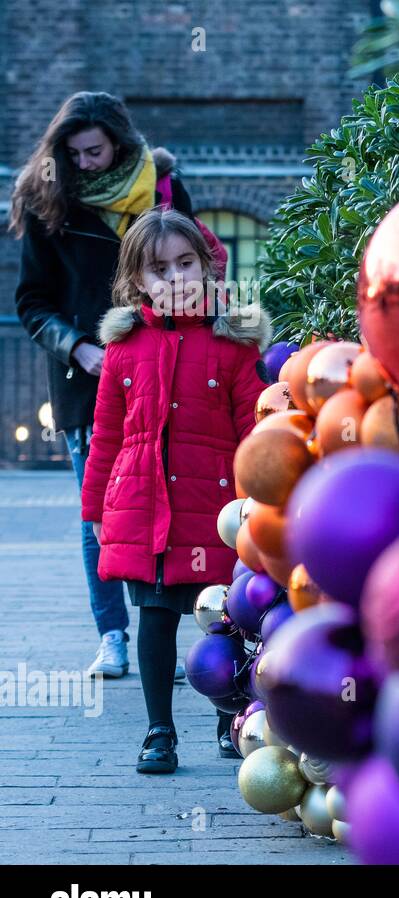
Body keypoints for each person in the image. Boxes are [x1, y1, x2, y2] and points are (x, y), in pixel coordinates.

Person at [11, 92, 203, 682]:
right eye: (73, 153)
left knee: (169, 502)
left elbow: (200, 262)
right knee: (99, 511)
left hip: (166, 369)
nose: (85, 162)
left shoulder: (164, 189)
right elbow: (31, 300)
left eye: (94, 150)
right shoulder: (49, 201)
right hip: (84, 378)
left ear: (118, 141)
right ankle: (113, 636)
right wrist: (80, 346)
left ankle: (162, 634)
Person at [80, 208, 269, 772]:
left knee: (225, 621)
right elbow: (106, 434)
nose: (175, 278)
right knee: (156, 620)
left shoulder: (233, 346)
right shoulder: (124, 349)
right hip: (147, 510)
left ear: (208, 267)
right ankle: (159, 730)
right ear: (138, 279)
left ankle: (226, 716)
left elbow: (254, 435)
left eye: (186, 263)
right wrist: (95, 508)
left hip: (217, 513)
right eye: (159, 269)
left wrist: (256, 503)